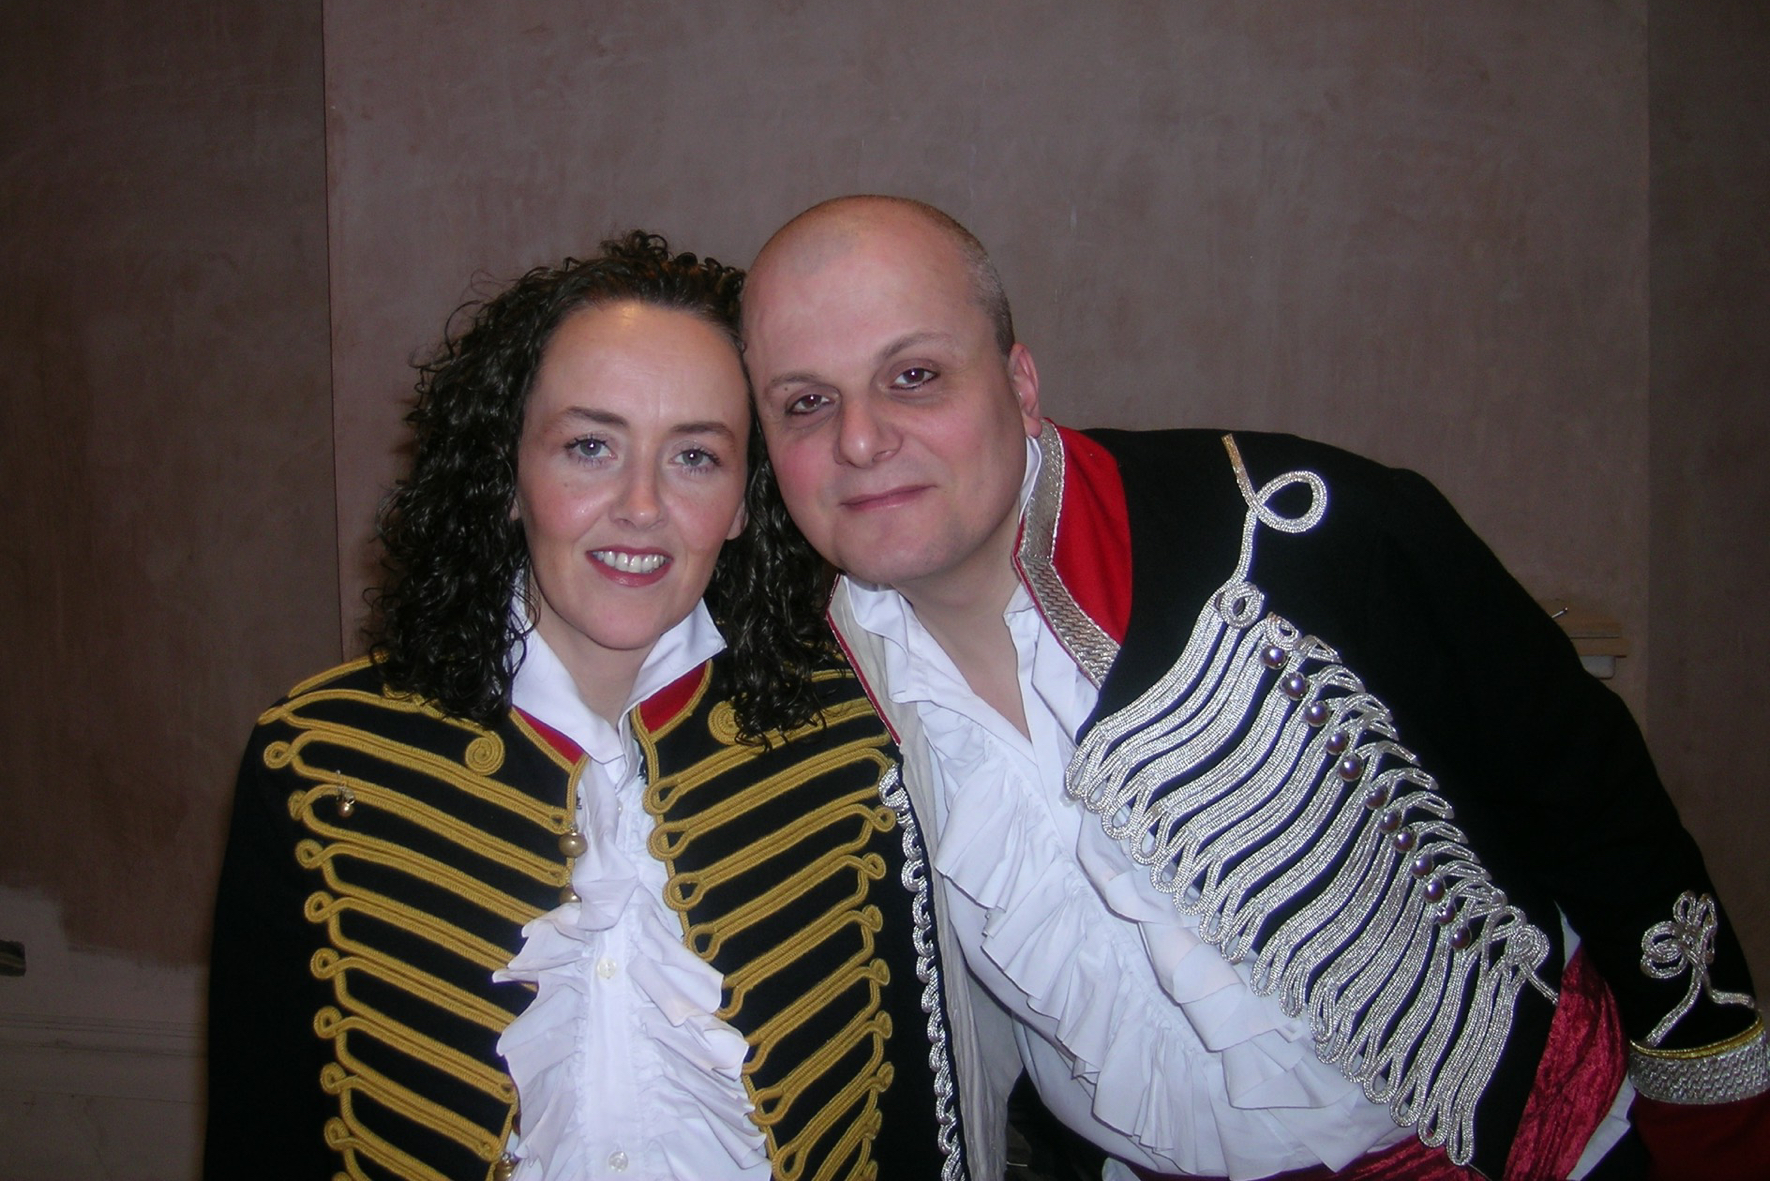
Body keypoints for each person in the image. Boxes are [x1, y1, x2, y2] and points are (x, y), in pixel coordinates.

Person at [739, 196, 1769, 1181]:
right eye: (806, 403)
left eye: (914, 375)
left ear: (1020, 382)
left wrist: (1714, 1125)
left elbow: (1598, 806)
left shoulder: (1299, 526)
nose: (861, 440)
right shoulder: (800, 689)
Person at [205, 233, 968, 1181]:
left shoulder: (854, 739)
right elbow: (260, 1136)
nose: (641, 506)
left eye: (695, 456)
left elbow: (915, 1126)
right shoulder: (320, 760)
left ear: (743, 500)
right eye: (590, 447)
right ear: (509, 476)